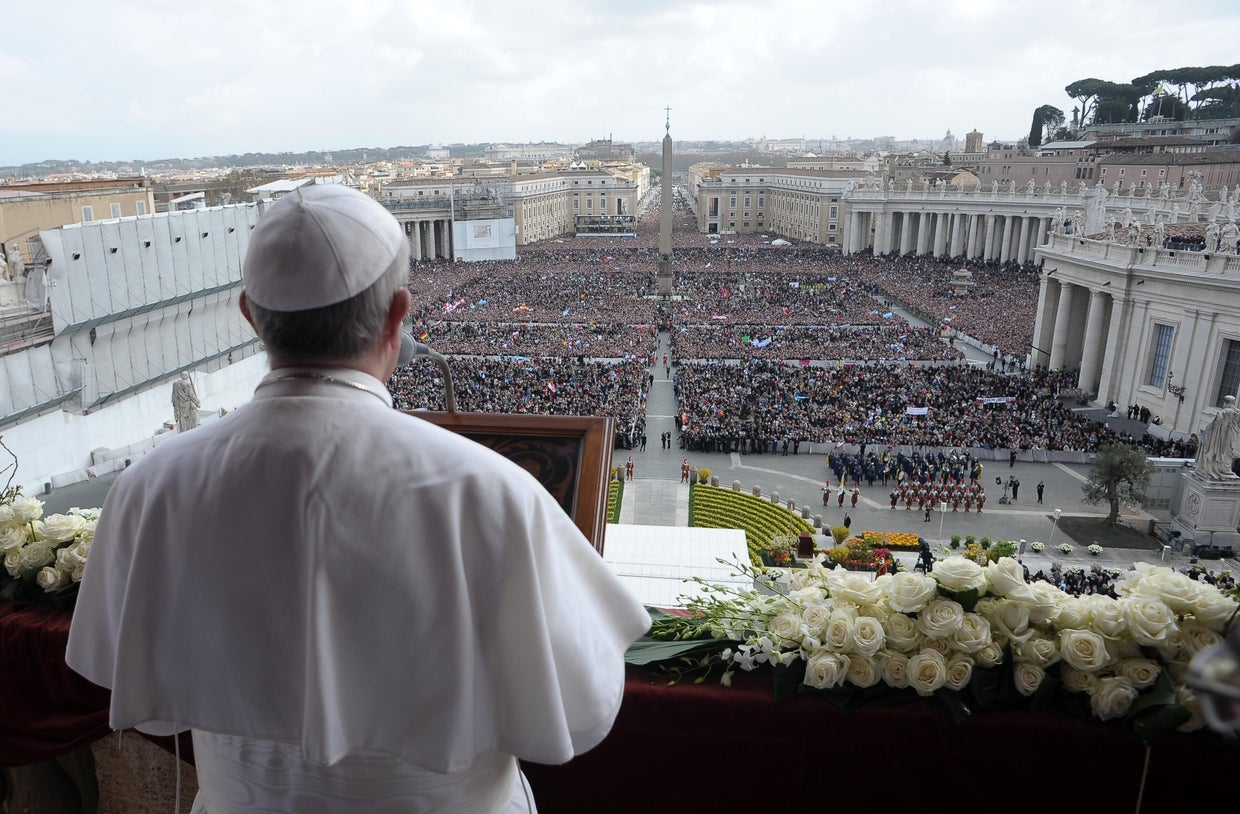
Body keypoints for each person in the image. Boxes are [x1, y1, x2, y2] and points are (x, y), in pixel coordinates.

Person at [66, 185, 650, 813]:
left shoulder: (150, 486)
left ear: (249, 314)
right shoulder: (490, 491)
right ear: (398, 314)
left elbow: (150, 712)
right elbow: (581, 714)